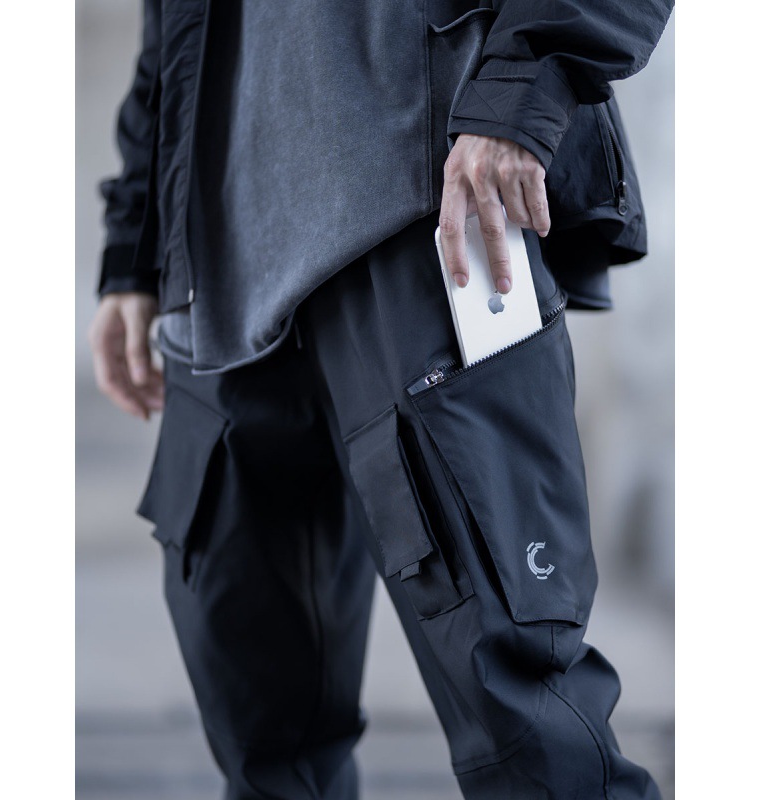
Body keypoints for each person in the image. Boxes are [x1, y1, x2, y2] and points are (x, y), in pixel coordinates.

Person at [89, 1, 674, 797]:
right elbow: (168, 26)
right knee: (263, 748)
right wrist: (134, 246)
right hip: (220, 265)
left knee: (530, 727)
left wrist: (522, 92)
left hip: (427, 221)